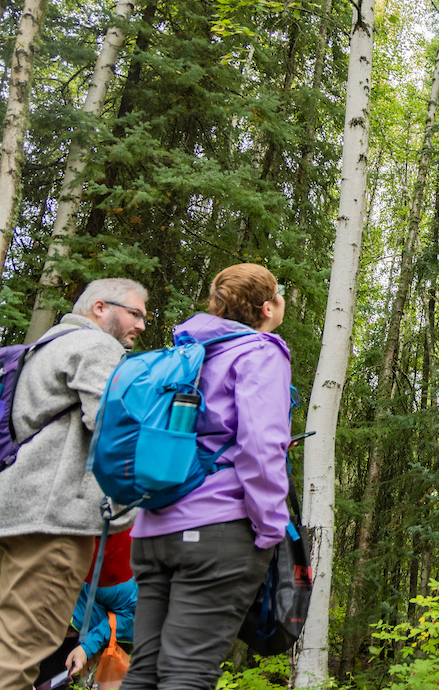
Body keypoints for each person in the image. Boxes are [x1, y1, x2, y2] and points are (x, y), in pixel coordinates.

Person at [123, 264, 292, 690]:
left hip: (151, 529)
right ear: (267, 306)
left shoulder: (185, 352)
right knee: (188, 673)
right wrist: (272, 527)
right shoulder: (261, 352)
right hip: (218, 529)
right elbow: (259, 448)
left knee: (143, 671)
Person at [0, 278, 148, 690]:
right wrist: (131, 508)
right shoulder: (99, 347)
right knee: (19, 651)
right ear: (100, 307)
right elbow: (114, 431)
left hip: (13, 514)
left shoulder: (44, 346)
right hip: (54, 522)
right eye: (135, 313)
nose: (141, 324)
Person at [35, 529, 138, 687]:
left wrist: (87, 647)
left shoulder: (117, 578)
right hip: (65, 623)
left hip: (106, 637)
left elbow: (127, 616)